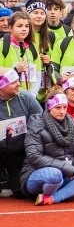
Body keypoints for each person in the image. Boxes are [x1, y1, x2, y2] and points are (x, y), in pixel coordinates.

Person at [21, 90, 74, 205]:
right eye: (58, 108)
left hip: (66, 174)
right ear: (49, 107)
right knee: (55, 174)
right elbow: (34, 157)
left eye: (65, 107)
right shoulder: (37, 125)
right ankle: (54, 193)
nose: (62, 111)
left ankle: (52, 198)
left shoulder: (72, 125)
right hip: (36, 176)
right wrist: (64, 167)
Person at [0, 68, 43, 198]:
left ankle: (14, 179)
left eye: (18, 80)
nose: (18, 84)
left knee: (21, 191)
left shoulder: (27, 97)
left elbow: (40, 122)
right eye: (13, 82)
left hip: (22, 149)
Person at [0, 11, 45, 98]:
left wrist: (32, 94)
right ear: (10, 28)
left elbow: (37, 74)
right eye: (19, 26)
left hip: (28, 97)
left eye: (27, 26)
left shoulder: (32, 47)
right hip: (6, 96)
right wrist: (15, 70)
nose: (24, 29)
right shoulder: (2, 45)